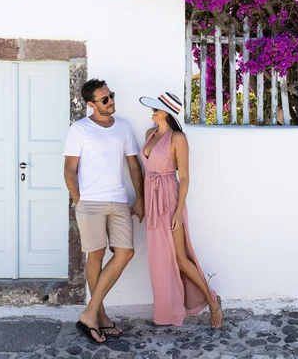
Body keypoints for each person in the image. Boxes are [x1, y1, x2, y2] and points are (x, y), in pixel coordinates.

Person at [63, 79, 144, 344]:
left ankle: (89, 313)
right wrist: (79, 201)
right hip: (90, 202)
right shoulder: (80, 129)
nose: (111, 101)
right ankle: (101, 315)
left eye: (111, 96)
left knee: (125, 253)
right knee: (96, 254)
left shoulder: (122, 127)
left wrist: (140, 198)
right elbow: (70, 169)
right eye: (105, 99)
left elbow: (133, 166)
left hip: (118, 200)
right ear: (91, 104)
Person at [139, 92, 224, 328]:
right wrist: (143, 202)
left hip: (169, 198)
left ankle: (213, 301)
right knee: (159, 259)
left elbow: (184, 178)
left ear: (167, 112)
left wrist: (177, 213)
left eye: (157, 108)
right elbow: (147, 170)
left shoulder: (178, 138)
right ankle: (167, 311)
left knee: (180, 257)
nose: (153, 112)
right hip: (152, 199)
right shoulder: (150, 134)